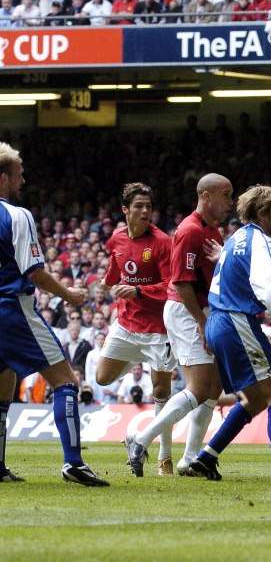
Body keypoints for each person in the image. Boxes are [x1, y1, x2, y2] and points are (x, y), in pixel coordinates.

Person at [0, 142, 107, 486]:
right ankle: (73, 463)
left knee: (3, 384)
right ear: (3, 179)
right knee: (65, 382)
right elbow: (34, 272)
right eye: (19, 175)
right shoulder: (18, 216)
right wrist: (69, 294)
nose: (23, 180)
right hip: (13, 309)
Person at [187, 185, 271, 484]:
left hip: (218, 321)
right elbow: (265, 285)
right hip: (237, 320)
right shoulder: (260, 240)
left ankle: (206, 458)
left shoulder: (236, 237)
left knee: (254, 399)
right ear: (262, 212)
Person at [127, 174, 233, 478]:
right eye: (226, 195)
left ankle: (189, 460)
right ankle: (141, 439)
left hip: (202, 309)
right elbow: (182, 283)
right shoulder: (189, 231)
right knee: (199, 387)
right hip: (186, 310)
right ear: (206, 196)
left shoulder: (212, 230)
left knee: (213, 387)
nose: (230, 202)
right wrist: (202, 323)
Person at [94, 183, 176, 475]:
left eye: (148, 207)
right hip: (126, 325)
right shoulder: (116, 239)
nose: (144, 211)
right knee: (102, 378)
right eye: (138, 206)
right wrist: (103, 288)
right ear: (125, 210)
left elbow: (171, 286)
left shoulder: (163, 242)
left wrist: (139, 292)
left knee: (161, 391)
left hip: (157, 329)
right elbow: (113, 275)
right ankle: (135, 359)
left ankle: (164, 458)